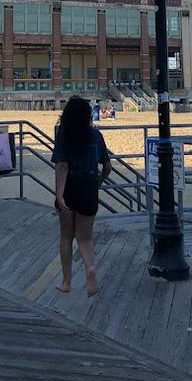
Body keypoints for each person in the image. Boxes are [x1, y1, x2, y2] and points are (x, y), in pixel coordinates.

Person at [51, 96, 112, 297]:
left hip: (69, 187)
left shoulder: (64, 135)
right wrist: (98, 182)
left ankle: (66, 282)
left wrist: (59, 195)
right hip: (88, 187)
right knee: (85, 238)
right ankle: (90, 268)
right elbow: (107, 166)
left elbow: (62, 166)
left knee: (66, 236)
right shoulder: (96, 135)